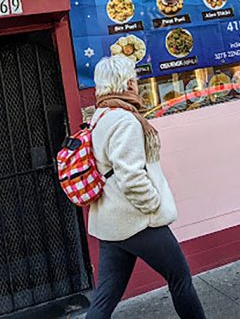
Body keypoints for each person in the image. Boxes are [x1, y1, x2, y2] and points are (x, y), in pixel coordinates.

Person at [86, 55, 206, 319]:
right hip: (136, 221)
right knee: (180, 279)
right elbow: (131, 176)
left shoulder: (100, 116)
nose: (137, 84)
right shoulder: (125, 121)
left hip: (110, 223)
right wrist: (153, 206)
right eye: (135, 80)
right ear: (127, 83)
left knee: (105, 298)